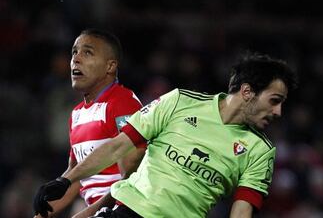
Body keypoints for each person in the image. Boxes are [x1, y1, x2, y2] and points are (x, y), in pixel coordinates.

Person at [34, 53, 298, 217]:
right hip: (127, 210)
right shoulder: (180, 101)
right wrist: (65, 180)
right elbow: (117, 147)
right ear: (247, 92)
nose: (278, 111)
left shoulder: (260, 151)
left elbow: (242, 210)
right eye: (275, 100)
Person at [33, 29, 146, 218]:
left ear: (110, 66)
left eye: (87, 52)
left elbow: (131, 178)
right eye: (74, 52)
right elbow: (76, 179)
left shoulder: (122, 102)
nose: (76, 59)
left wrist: (86, 215)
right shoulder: (77, 114)